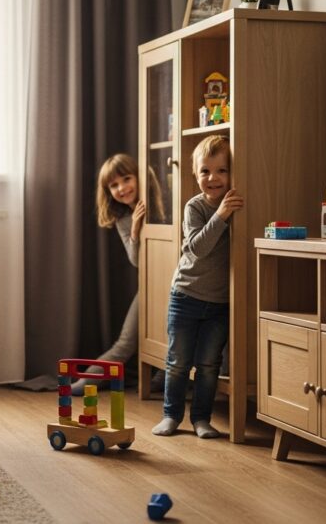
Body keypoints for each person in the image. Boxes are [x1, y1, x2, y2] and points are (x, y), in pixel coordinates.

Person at [152, 135, 244, 439]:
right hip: (186, 296)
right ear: (195, 174)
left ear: (233, 172)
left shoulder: (237, 207)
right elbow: (198, 248)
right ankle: (171, 415)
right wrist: (221, 215)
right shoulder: (195, 207)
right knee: (178, 361)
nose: (213, 178)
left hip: (219, 302)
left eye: (221, 170)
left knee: (208, 364)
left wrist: (228, 213)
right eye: (205, 171)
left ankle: (201, 419)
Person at [71, 153, 166, 396]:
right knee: (126, 341)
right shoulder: (124, 219)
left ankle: (163, 378)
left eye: (126, 178)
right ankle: (88, 379)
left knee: (171, 337)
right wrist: (135, 229)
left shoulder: (162, 203)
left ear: (139, 177)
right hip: (150, 284)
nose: (122, 188)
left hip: (177, 283)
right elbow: (136, 261)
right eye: (114, 185)